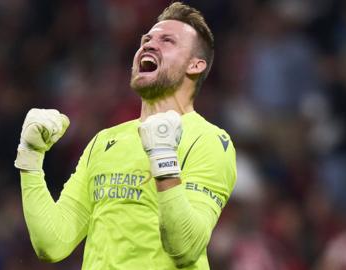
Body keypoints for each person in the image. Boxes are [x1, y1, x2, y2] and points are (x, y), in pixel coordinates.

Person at [14, 2, 236, 269]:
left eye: (167, 41)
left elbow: (186, 248)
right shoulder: (105, 141)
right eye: (146, 39)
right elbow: (53, 242)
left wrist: (164, 159)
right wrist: (30, 157)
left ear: (195, 64)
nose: (149, 45)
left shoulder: (209, 140)